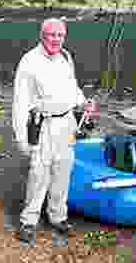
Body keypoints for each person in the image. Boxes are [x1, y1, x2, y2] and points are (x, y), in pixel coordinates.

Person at [12, 18, 99, 245]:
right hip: (43, 125)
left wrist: (83, 104)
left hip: (67, 123)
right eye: (51, 35)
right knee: (39, 174)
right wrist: (22, 138)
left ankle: (58, 217)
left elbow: (73, 89)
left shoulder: (65, 58)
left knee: (63, 172)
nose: (55, 39)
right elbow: (20, 103)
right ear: (42, 35)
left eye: (60, 35)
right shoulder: (29, 62)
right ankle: (28, 222)